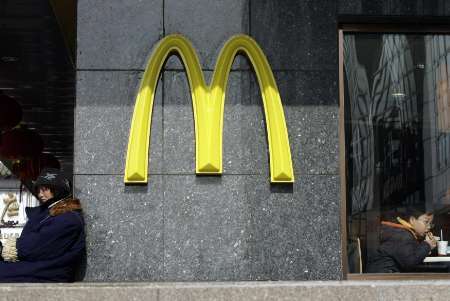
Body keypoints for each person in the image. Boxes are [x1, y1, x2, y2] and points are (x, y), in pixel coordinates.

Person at [0, 168, 85, 282]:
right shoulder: (49, 213)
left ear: (58, 190)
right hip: (37, 268)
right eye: (39, 190)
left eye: (45, 189)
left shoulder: (68, 219)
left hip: (49, 273)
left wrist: (5, 249)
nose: (40, 194)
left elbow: (35, 247)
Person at [366, 208, 437, 273]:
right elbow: (409, 262)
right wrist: (427, 245)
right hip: (384, 276)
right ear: (412, 220)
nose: (429, 227)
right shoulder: (403, 235)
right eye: (426, 222)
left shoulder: (403, 233)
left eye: (430, 223)